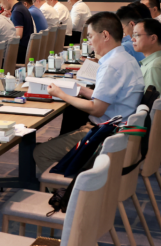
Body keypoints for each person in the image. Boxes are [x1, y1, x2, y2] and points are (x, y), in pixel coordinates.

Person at [35, 12, 144, 173]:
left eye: (91, 36)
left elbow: (97, 109)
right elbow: (108, 97)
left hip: (105, 136)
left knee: (40, 152)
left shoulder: (111, 65)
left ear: (105, 35)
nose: (89, 42)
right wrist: (79, 89)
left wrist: (61, 94)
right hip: (117, 131)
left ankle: (71, 187)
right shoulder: (125, 58)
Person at [133, 18, 161, 93]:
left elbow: (153, 100)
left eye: (137, 35)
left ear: (153, 38)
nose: (133, 39)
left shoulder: (154, 67)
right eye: (133, 35)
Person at [0, 0, 34, 64]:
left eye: (0, 2)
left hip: (20, 52)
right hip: (26, 49)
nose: (1, 6)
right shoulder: (21, 7)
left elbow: (18, 36)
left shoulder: (17, 11)